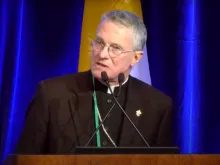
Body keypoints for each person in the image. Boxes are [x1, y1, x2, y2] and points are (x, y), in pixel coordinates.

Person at [15, 10, 173, 154]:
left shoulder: (157, 106)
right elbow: (24, 159)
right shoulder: (52, 95)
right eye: (99, 43)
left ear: (136, 58)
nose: (103, 54)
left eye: (115, 48)